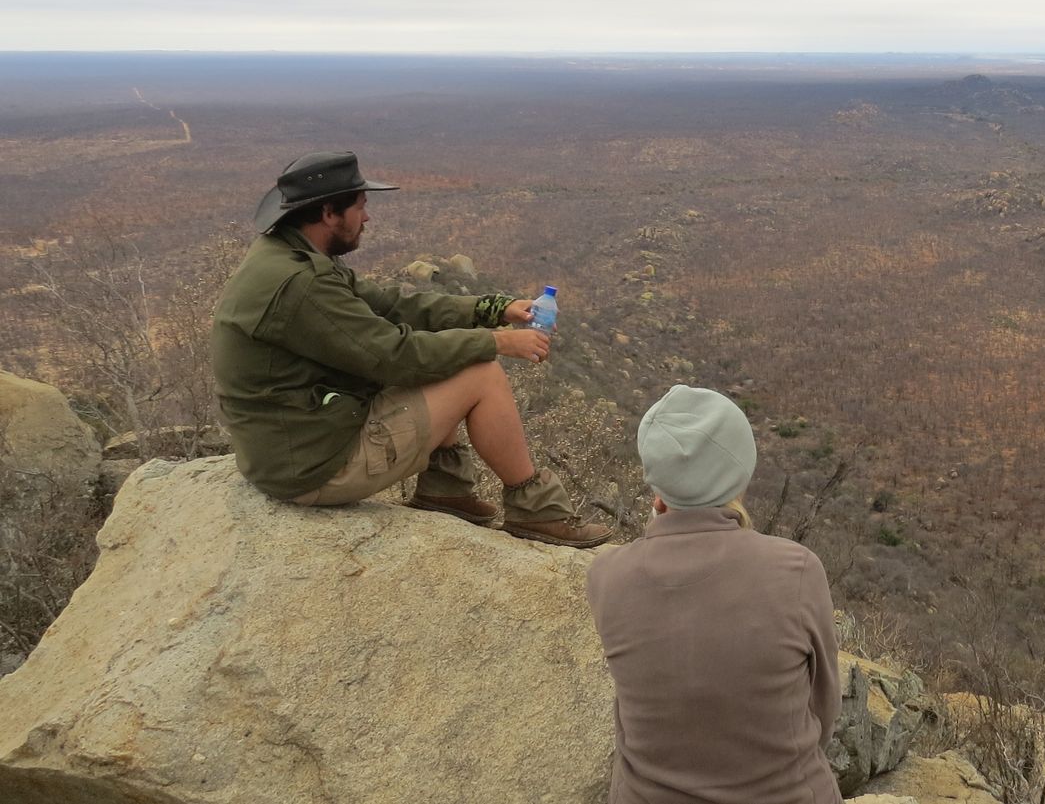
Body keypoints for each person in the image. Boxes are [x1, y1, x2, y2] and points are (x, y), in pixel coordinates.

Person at [211, 150, 609, 547]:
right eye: (361, 207)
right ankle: (537, 511)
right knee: (482, 373)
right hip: (314, 466)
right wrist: (497, 341)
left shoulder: (287, 256)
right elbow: (395, 357)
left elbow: (395, 306)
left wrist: (493, 309)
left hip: (294, 447)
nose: (367, 218)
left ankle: (446, 490)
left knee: (450, 358)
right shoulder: (302, 285)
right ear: (330, 212)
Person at [585, 385, 841, 804]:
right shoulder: (795, 570)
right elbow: (825, 711)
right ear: (739, 471)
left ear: (656, 479)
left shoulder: (607, 575)